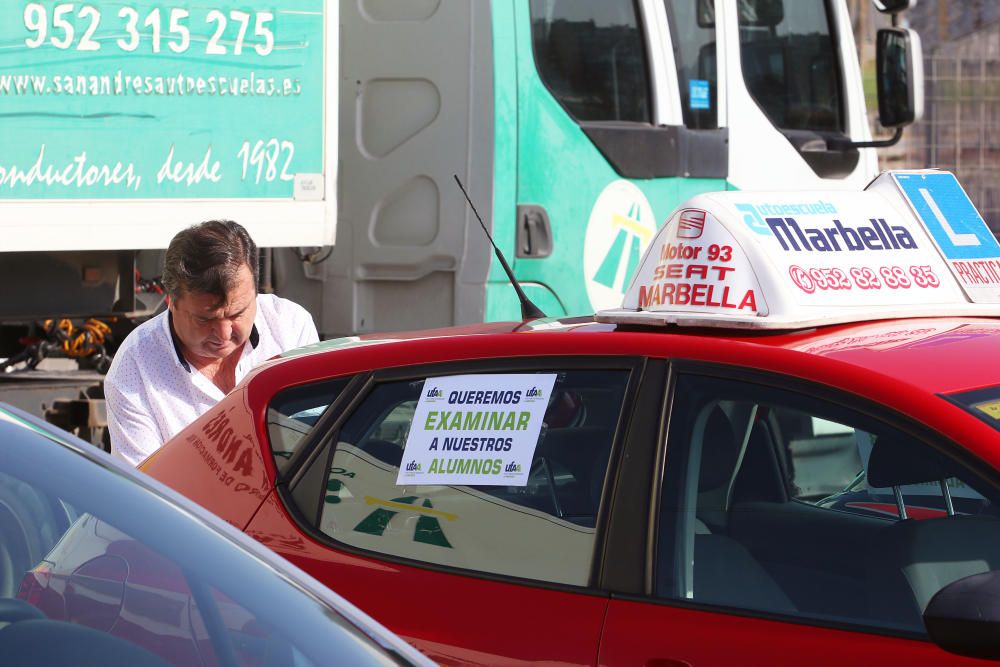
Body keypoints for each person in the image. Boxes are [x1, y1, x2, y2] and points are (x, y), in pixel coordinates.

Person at [105, 220, 319, 466]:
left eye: (238, 314)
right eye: (206, 319)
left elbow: (314, 437)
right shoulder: (135, 367)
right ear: (171, 302)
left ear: (254, 292)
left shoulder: (291, 327)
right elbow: (143, 489)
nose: (224, 334)